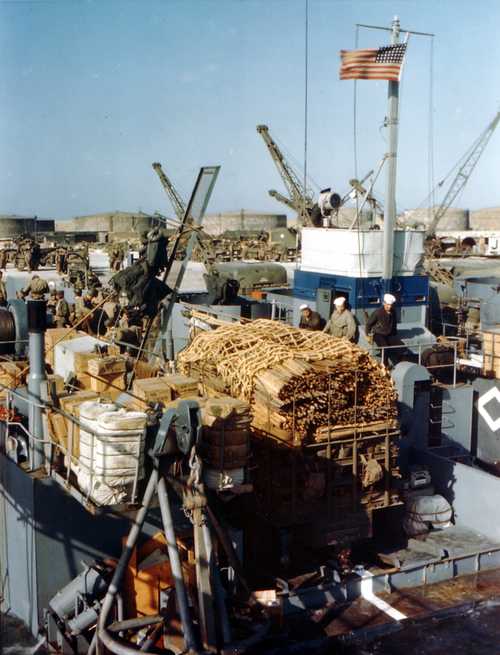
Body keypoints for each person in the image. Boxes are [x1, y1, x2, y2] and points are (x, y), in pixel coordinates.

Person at [366, 293, 404, 366]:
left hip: (389, 334)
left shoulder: (393, 312)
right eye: (388, 305)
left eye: (390, 305)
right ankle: (384, 365)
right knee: (385, 348)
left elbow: (394, 324)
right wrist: (368, 335)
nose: (389, 307)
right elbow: (369, 324)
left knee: (401, 347)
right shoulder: (378, 312)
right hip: (379, 333)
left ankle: (399, 364)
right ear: (384, 303)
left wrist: (395, 335)